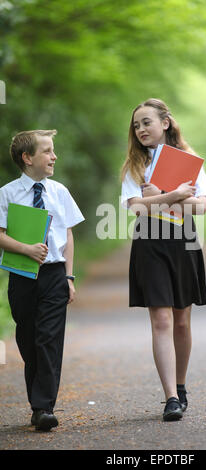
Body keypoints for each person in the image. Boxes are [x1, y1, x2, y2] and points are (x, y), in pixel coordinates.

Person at [121, 98, 206, 421]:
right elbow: (136, 208)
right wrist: (175, 195)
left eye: (146, 122)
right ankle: (171, 398)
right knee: (160, 320)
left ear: (165, 123)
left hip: (184, 243)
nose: (141, 129)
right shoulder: (134, 166)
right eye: (136, 125)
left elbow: (201, 207)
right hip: (150, 244)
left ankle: (181, 384)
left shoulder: (189, 160)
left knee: (181, 321)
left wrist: (156, 197)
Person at [0, 130, 85, 431]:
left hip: (54, 274)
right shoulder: (7, 193)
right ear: (27, 158)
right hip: (21, 275)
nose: (54, 156)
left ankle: (42, 407)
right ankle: (39, 401)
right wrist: (26, 249)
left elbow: (68, 235)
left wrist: (69, 277)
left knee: (49, 339)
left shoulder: (59, 191)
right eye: (48, 151)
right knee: (28, 340)